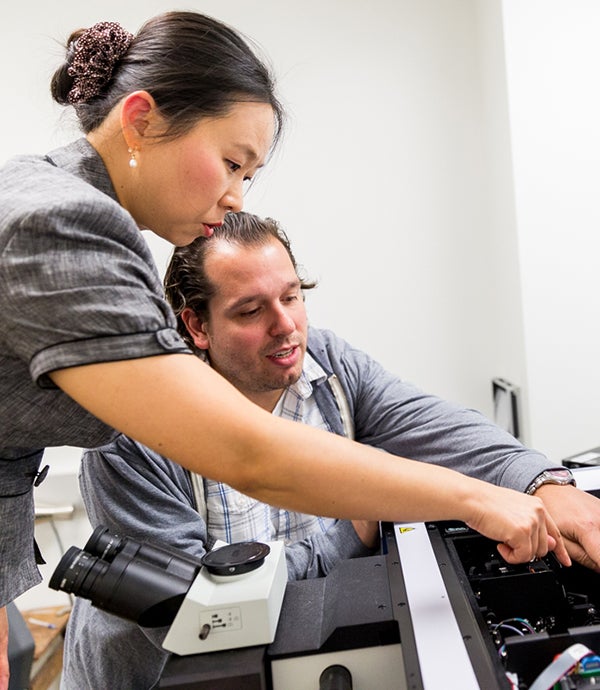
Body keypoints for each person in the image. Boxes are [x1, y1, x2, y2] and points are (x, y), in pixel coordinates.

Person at [0, 11, 575, 690]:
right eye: (230, 162)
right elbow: (249, 454)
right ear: (142, 119)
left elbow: (428, 422)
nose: (233, 195)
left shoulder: (66, 209)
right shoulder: (61, 219)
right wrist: (474, 500)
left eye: (251, 173)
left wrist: (539, 482)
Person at [62, 211, 600, 688]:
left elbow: (439, 427)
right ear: (197, 325)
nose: (286, 325)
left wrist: (544, 484)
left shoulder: (329, 366)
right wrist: (350, 530)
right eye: (251, 311)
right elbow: (195, 615)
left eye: (292, 296)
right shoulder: (131, 435)